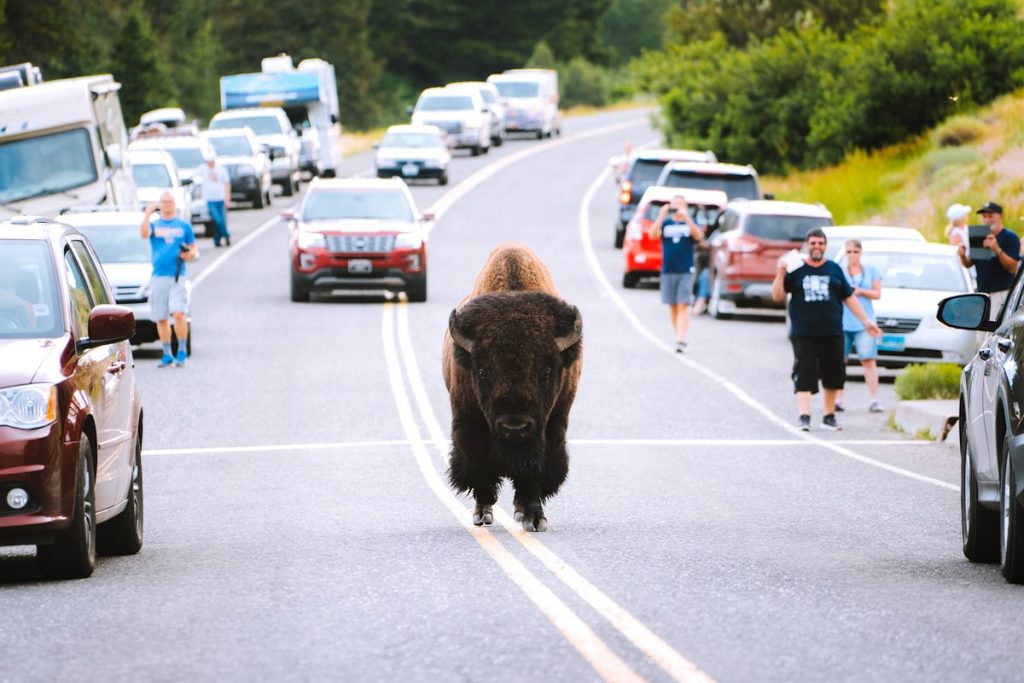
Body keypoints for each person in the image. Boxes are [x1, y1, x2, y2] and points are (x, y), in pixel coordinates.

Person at [771, 228, 881, 431]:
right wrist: (780, 272)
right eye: (813, 243)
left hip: (832, 333)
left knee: (833, 374)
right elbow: (777, 295)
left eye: (820, 243)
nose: (816, 247)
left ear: (825, 246)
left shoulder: (834, 269)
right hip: (804, 334)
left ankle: (828, 416)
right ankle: (804, 416)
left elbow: (848, 297)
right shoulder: (796, 269)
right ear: (807, 245)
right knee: (804, 374)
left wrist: (866, 321)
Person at [140, 191, 197, 367]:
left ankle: (181, 349)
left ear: (174, 204)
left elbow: (193, 248)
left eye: (169, 201)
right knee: (161, 316)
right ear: (160, 204)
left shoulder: (183, 226)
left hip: (177, 275)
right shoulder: (155, 225)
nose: (167, 204)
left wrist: (188, 254)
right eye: (163, 202)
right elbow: (143, 233)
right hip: (159, 275)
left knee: (179, 313)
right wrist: (148, 213)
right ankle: (166, 353)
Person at [648, 195, 704, 352]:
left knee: (683, 304)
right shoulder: (666, 223)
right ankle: (678, 335)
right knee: (672, 306)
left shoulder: (691, 222)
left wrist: (687, 218)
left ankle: (681, 339)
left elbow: (698, 236)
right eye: (674, 204)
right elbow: (652, 234)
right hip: (668, 269)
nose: (677, 207)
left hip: (686, 270)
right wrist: (661, 215)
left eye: (680, 204)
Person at [834, 239, 883, 414]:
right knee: (840, 361)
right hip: (843, 321)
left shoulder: (871, 271)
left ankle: (874, 399)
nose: (852, 255)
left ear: (860, 253)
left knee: (868, 360)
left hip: (865, 322)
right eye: (849, 252)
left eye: (855, 251)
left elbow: (878, 293)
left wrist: (861, 291)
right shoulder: (839, 271)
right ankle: (838, 399)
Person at [957, 201, 1020, 319]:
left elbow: (1012, 268)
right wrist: (962, 255)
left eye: (990, 216)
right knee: (980, 335)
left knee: (995, 334)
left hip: (1001, 294)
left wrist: (996, 249)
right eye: (984, 216)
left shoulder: (1010, 237)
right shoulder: (979, 234)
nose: (987, 220)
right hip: (981, 294)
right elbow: (969, 264)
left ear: (1000, 216)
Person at [195, 156, 232, 247]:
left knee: (221, 219)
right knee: (216, 219)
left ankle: (218, 239)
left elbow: (227, 184)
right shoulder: (203, 169)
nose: (209, 163)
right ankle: (225, 234)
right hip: (210, 199)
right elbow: (193, 174)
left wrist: (227, 198)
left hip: (220, 198)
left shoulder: (221, 170)